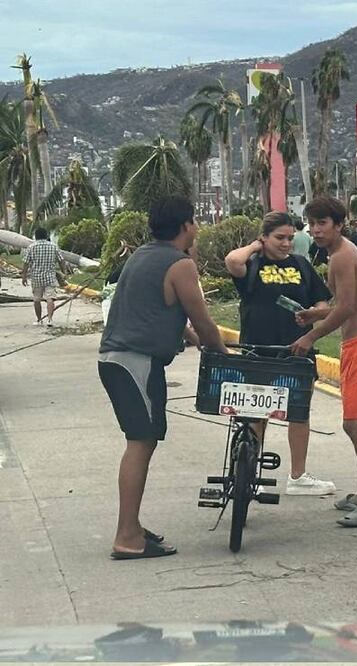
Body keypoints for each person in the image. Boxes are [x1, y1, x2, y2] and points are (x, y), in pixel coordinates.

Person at [99, 196, 227, 560]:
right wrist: (221, 351)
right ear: (186, 226)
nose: (198, 228)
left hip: (122, 360)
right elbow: (201, 319)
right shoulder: (179, 264)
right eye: (195, 222)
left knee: (144, 441)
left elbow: (160, 311)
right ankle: (127, 537)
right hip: (133, 361)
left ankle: (133, 527)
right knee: (140, 442)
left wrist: (193, 339)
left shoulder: (143, 255)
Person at [290, 196, 357, 528]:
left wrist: (311, 336)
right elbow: (345, 302)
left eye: (322, 223)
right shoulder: (341, 253)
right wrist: (314, 313)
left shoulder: (342, 256)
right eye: (312, 223)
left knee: (354, 423)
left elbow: (347, 308)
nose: (316, 230)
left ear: (338, 224)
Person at [224, 212, 337, 496]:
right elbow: (232, 261)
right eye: (279, 238)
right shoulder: (252, 264)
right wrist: (255, 247)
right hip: (258, 348)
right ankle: (246, 469)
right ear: (264, 238)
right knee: (255, 412)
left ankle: (298, 476)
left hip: (296, 349)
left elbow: (322, 300)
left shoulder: (301, 265)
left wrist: (315, 312)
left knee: (298, 411)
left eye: (290, 238)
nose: (287, 243)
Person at [21, 227, 62, 326]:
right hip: (50, 277)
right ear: (46, 235)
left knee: (36, 299)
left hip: (36, 277)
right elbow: (61, 260)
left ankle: (39, 320)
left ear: (36, 236)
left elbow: (26, 263)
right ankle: (50, 319)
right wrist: (64, 272)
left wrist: (24, 276)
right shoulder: (53, 246)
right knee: (50, 298)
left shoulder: (31, 247)